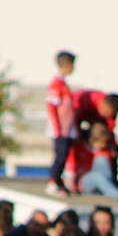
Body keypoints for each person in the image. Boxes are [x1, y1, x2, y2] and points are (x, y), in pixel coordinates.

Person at [66, 121, 118, 201]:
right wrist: (71, 187)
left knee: (102, 160)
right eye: (101, 142)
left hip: (99, 181)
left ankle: (109, 190)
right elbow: (70, 170)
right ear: (92, 140)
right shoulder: (78, 148)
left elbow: (106, 170)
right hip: (82, 183)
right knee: (97, 177)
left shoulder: (102, 151)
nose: (104, 145)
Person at [46, 51, 77, 197]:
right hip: (61, 129)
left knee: (64, 155)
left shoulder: (64, 83)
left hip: (67, 129)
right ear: (67, 65)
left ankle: (59, 182)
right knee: (60, 154)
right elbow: (52, 105)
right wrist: (58, 128)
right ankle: (52, 182)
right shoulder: (57, 83)